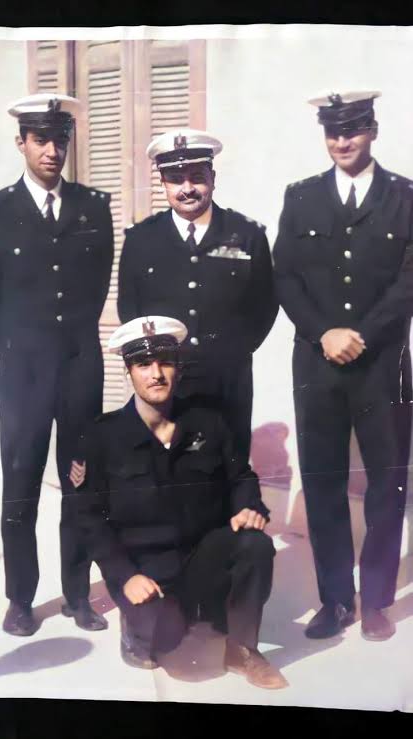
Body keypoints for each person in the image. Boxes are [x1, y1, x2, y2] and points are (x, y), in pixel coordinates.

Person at [75, 315, 287, 690]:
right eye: (143, 365)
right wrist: (125, 577)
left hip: (201, 558)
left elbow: (241, 476)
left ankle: (242, 649)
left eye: (165, 363)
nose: (156, 374)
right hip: (145, 570)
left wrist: (248, 506)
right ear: (129, 372)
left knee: (255, 545)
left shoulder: (209, 423)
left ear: (178, 368)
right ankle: (138, 628)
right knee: (183, 663)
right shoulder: (101, 436)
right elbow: (89, 518)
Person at [273, 90, 413, 641]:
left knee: (387, 485)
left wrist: (363, 336)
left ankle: (375, 601)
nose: (342, 141)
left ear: (372, 130)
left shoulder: (404, 197)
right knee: (323, 483)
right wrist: (323, 333)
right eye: (333, 132)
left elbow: (409, 280)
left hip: (382, 367)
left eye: (352, 129)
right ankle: (335, 600)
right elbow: (285, 276)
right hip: (318, 365)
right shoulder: (301, 197)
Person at [0, 93, 113, 636]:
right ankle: (21, 598)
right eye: (40, 139)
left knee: (81, 482)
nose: (51, 150)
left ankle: (77, 595)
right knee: (20, 485)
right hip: (22, 372)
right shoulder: (0, 210)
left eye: (59, 140)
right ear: (20, 143)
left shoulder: (94, 207)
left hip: (78, 367)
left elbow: (96, 287)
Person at [117, 129, 278, 462]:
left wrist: (234, 350)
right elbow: (129, 308)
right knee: (169, 470)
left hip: (227, 379)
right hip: (167, 383)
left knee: (229, 466)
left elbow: (265, 304)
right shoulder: (141, 240)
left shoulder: (246, 235)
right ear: (163, 183)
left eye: (197, 177)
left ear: (213, 179)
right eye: (176, 179)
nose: (187, 188)